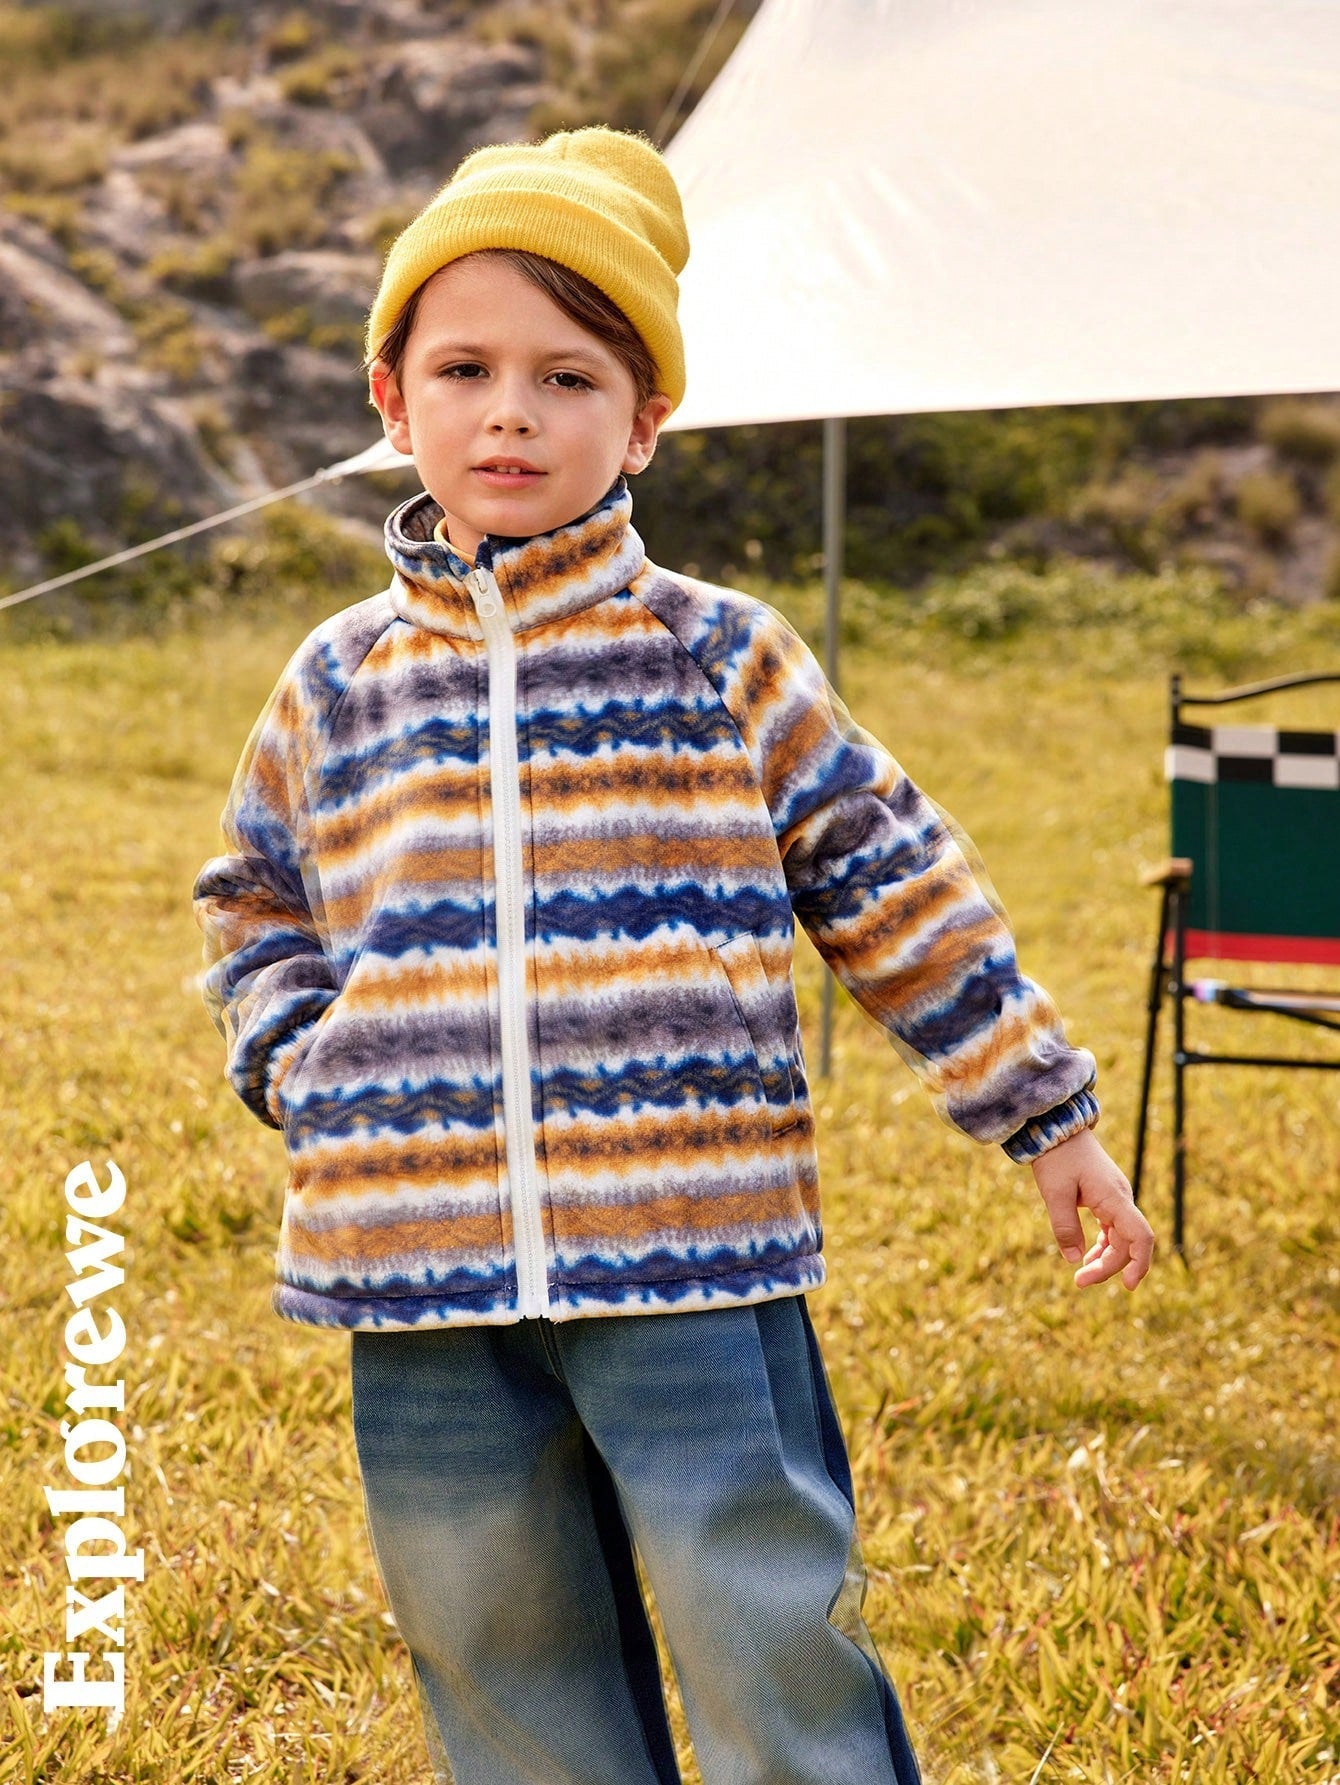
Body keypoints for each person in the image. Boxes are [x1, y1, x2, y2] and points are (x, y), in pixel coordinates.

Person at [192, 126, 1155, 1785]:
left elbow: (890, 877)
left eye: (568, 377)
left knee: (764, 1620)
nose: (511, 412)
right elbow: (252, 892)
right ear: (392, 399)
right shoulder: (337, 679)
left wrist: (1043, 1110)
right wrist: (305, 1061)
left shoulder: (723, 656)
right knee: (496, 1639)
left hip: (695, 1246)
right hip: (411, 1253)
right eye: (466, 369)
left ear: (644, 420)